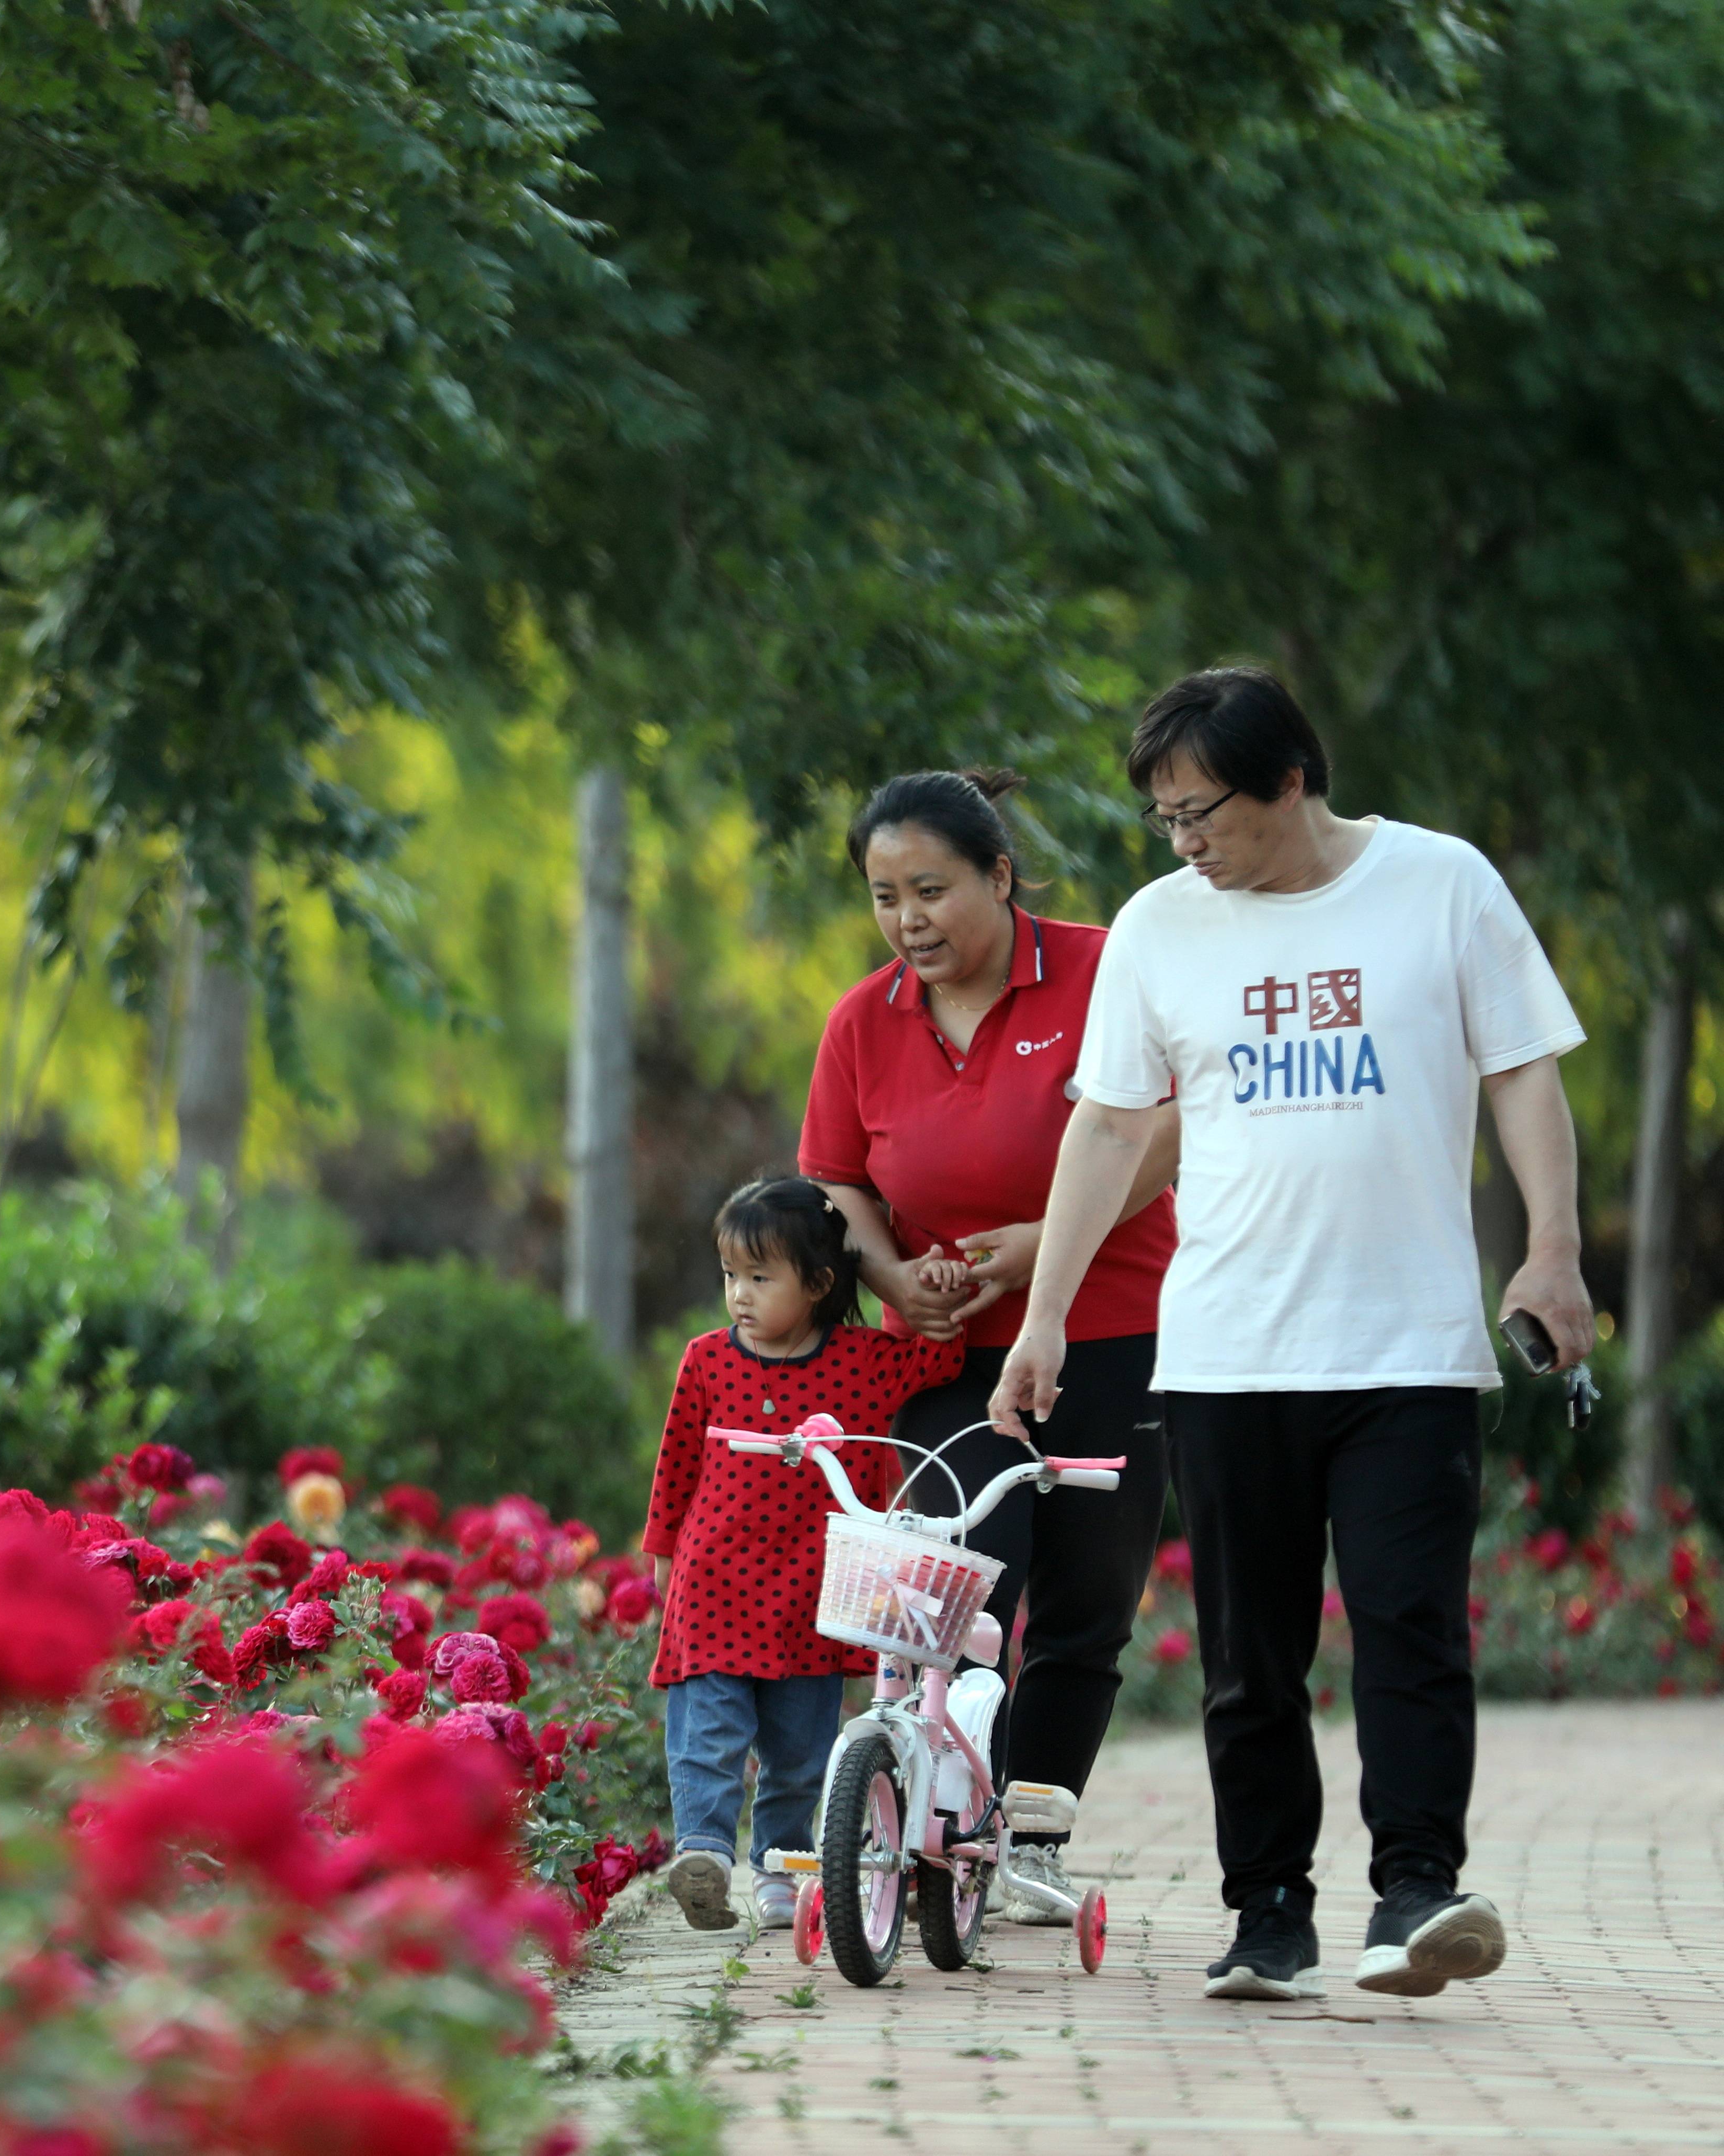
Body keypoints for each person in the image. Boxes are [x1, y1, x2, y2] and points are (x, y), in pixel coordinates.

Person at [991, 666, 1593, 2003]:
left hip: (1405, 1347)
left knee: (1409, 1631)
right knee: (1245, 1657)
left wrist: (1550, 1247)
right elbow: (1105, 1128)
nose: (1184, 842)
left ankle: (1416, 1894)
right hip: (1222, 1351)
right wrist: (1042, 1316)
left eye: (1201, 811)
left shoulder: (1439, 885)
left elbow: (1521, 1066)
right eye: (1161, 820)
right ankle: (1265, 1913)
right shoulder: (1160, 928)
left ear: (1290, 780)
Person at [801, 769, 1182, 1926]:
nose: (907, 920)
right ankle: (927, 1812)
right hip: (945, 1360)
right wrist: (883, 1274)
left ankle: (1031, 1833)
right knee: (957, 1581)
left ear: (999, 877)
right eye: (882, 897)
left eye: (930, 890)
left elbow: (1162, 1126)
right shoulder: (862, 1021)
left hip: (1115, 1335)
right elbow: (835, 1179)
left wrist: (1038, 1249)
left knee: (1083, 1604)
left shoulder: (1101, 964)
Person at [643, 1176, 963, 1931]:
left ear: (819, 1284)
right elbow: (677, 1461)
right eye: (730, 1276)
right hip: (715, 1582)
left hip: (816, 1595)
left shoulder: (864, 1361)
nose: (740, 1295)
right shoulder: (707, 1360)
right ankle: (706, 1853)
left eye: (760, 1277)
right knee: (708, 1733)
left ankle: (781, 1867)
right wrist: (663, 1553)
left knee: (800, 1752)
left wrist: (943, 1284)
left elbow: (943, 1362)